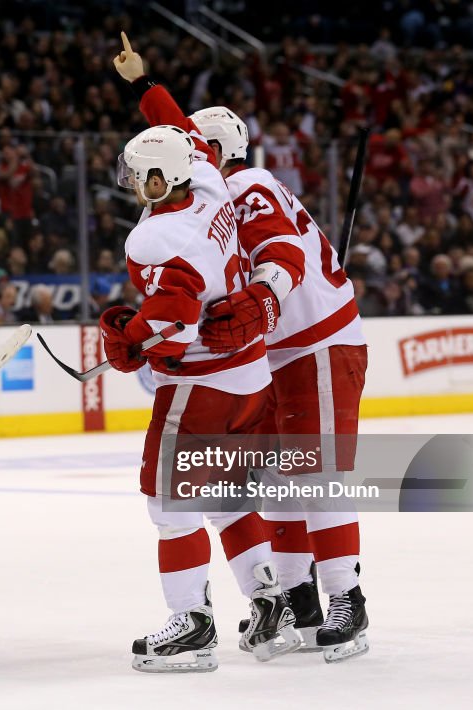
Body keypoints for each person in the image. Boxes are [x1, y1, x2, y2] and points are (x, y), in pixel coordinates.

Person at [107, 33, 300, 674]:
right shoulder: (213, 186)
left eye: (140, 174)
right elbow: (180, 131)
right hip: (248, 376)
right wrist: (143, 86)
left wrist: (129, 339)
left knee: (167, 501)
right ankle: (270, 609)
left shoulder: (160, 234)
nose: (133, 182)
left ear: (165, 177)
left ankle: (190, 624)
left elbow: (176, 321)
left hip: (201, 383)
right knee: (222, 496)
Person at [189, 106, 369, 659]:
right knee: (279, 478)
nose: (191, 165)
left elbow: (279, 257)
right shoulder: (222, 199)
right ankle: (300, 599)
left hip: (318, 341)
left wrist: (262, 297)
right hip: (281, 350)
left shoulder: (248, 187)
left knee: (318, 473)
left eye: (198, 154)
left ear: (216, 154)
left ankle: (347, 595)